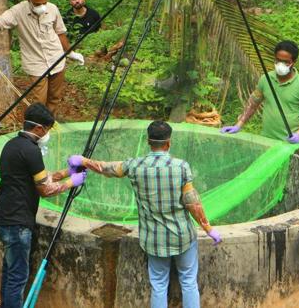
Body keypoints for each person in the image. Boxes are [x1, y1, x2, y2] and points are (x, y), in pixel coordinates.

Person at [68, 121, 221, 308]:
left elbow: (105, 168)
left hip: (153, 240)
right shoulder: (181, 167)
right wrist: (208, 228)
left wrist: (83, 161)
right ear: (169, 143)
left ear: (149, 141)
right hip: (182, 237)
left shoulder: (134, 166)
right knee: (189, 282)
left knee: (158, 286)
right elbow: (192, 202)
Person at [0, 103, 87, 308]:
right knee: (18, 276)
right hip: (18, 221)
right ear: (38, 129)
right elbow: (44, 190)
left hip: (4, 215)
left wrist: (66, 172)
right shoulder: (31, 151)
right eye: (48, 129)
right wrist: (71, 184)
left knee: (10, 271)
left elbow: (34, 179)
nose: (48, 134)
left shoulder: (12, 145)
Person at [0, 0, 85, 118]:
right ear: (29, 0)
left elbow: (60, 33)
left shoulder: (52, 9)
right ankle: (37, 127)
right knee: (39, 101)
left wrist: (70, 53)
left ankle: (48, 124)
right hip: (36, 64)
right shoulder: (18, 11)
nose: (41, 7)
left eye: (44, 3)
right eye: (37, 4)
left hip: (56, 59)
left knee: (55, 97)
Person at [220, 40, 299, 143]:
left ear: (294, 62)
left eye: (286, 62)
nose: (281, 64)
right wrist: (239, 125)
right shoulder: (265, 79)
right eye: (278, 60)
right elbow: (253, 103)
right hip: (265, 139)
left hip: (288, 143)